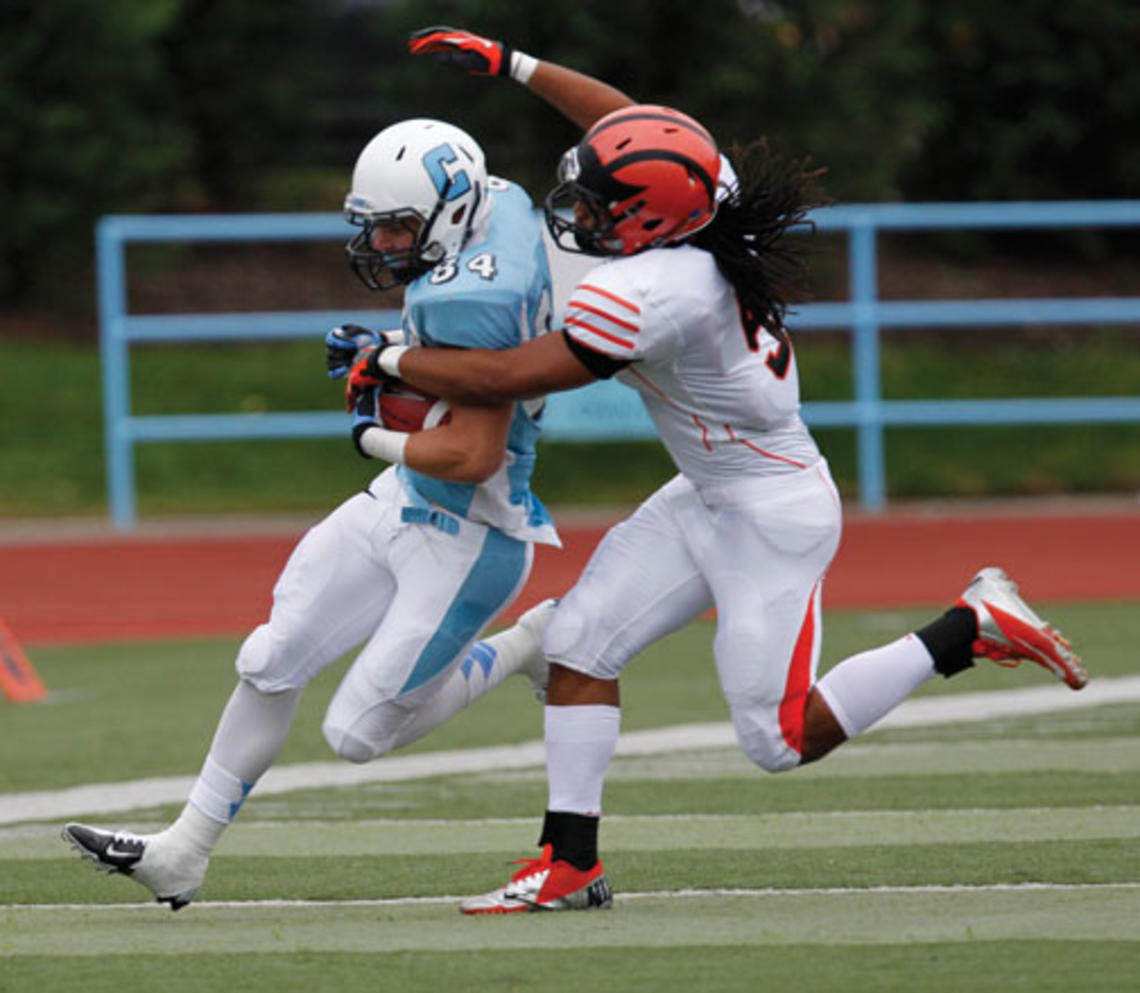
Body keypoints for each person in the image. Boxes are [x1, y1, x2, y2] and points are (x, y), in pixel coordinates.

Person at [346, 27, 1088, 914]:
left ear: (649, 220)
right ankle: (570, 862)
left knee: (778, 738)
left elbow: (510, 376)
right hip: (707, 488)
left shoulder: (653, 292)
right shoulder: (701, 201)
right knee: (580, 643)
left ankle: (968, 625)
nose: (578, 214)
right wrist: (515, 65)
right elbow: (634, 126)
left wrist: (391, 360)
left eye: (597, 208)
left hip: (773, 512)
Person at [61, 117, 564, 910]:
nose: (388, 244)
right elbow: (453, 345)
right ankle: (183, 851)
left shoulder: (478, 295)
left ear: (451, 208)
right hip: (402, 504)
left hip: (473, 532)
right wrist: (394, 344)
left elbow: (473, 455)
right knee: (269, 655)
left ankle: (529, 644)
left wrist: (372, 433)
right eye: (378, 226)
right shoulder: (495, 205)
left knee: (357, 735)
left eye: (400, 227)